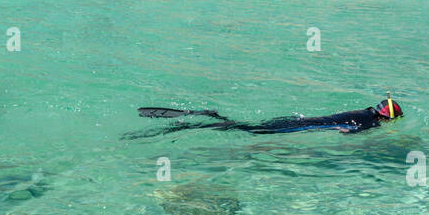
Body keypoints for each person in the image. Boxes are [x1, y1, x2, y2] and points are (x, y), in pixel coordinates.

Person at [130, 96, 403, 138]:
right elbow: (345, 133)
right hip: (300, 127)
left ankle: (207, 115)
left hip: (300, 119)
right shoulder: (369, 122)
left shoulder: (363, 111)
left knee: (248, 127)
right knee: (247, 131)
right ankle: (205, 119)